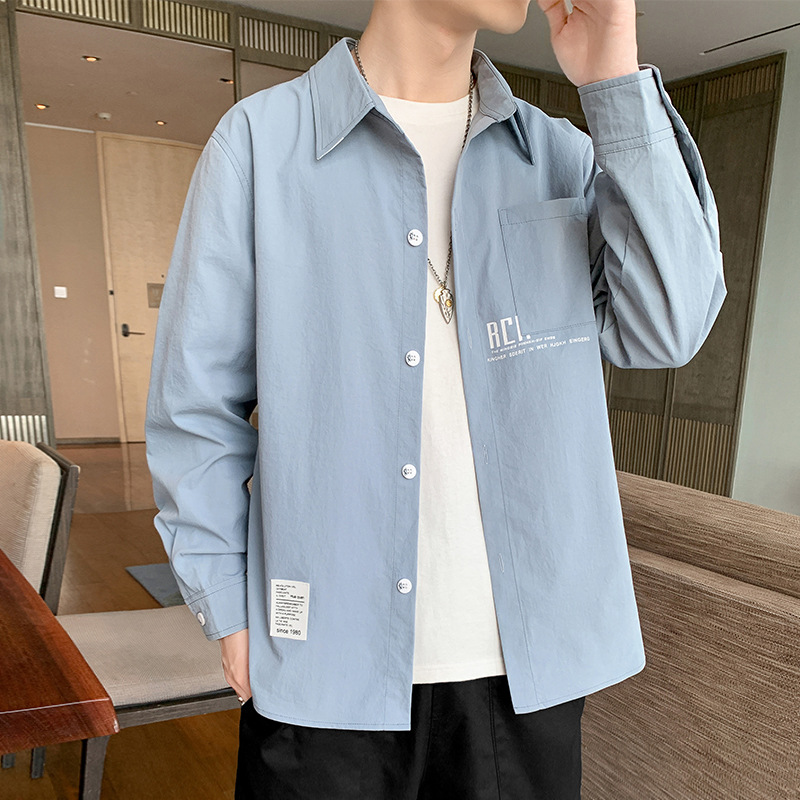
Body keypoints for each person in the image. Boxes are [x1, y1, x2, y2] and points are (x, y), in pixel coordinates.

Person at [145, 0, 726, 797]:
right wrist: (227, 601)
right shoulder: (260, 144)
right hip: (324, 662)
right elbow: (195, 408)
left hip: (525, 674)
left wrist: (615, 78)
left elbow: (669, 326)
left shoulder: (560, 155)